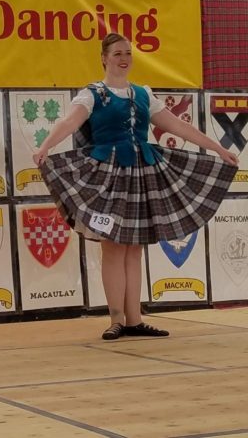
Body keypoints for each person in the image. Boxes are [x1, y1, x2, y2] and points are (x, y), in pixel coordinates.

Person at [33, 33, 238, 341]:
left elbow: (176, 125)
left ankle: (134, 319)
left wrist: (218, 149)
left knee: (134, 248)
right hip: (108, 176)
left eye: (127, 53)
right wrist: (46, 146)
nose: (124, 58)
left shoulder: (143, 93)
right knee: (114, 247)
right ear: (104, 57)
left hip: (142, 173)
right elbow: (69, 123)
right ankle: (115, 319)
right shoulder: (93, 94)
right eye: (117, 53)